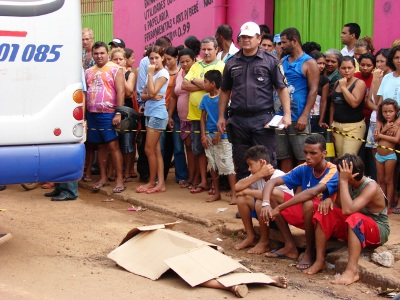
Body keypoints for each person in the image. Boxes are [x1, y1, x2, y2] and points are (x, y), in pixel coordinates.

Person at [217, 21, 291, 180]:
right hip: (238, 120)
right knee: (242, 161)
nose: (246, 40)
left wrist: (287, 114)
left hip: (262, 119)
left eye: (250, 37)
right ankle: (246, 200)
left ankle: (266, 200)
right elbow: (224, 91)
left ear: (258, 38)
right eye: (243, 37)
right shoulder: (231, 62)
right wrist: (221, 116)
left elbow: (282, 88)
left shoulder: (271, 61)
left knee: (266, 161)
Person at [305, 154, 389, 286]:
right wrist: (328, 200)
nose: (338, 175)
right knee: (324, 211)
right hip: (354, 225)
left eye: (341, 173)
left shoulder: (370, 186)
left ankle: (352, 270)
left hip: (377, 229)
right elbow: (339, 205)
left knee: (355, 218)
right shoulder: (345, 183)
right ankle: (320, 260)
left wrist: (343, 181)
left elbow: (348, 210)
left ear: (352, 174)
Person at [261, 134, 338, 269]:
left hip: (325, 218)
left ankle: (309, 251)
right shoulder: (304, 167)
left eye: (313, 153)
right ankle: (290, 246)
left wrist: (279, 208)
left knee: (308, 202)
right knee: (273, 194)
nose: (308, 157)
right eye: (305, 152)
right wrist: (265, 203)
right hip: (306, 214)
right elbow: (272, 181)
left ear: (324, 153)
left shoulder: (333, 170)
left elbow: (312, 193)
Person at [182, 37, 225, 194]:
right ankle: (203, 181)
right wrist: (204, 83)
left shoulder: (221, 66)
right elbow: (184, 84)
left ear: (216, 50)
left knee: (217, 151)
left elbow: (220, 87)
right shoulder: (196, 65)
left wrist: (195, 81)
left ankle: (216, 184)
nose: (206, 52)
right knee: (199, 149)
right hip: (195, 116)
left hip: (215, 117)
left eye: (209, 49)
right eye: (204, 49)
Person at [234, 145, 293, 254]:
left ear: (261, 162)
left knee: (261, 202)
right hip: (265, 216)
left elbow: (270, 195)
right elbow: (237, 187)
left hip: (281, 217)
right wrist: (260, 174)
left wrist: (247, 191)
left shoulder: (279, 175)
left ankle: (264, 242)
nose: (249, 169)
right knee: (241, 199)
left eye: (250, 164)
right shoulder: (257, 175)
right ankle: (251, 236)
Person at [277, 27, 319, 172]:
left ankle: (303, 191)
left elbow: (314, 91)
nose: (281, 46)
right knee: (284, 156)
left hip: (299, 117)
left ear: (294, 41)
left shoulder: (309, 62)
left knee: (303, 157)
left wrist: (304, 115)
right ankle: (286, 191)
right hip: (281, 118)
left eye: (284, 42)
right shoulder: (283, 61)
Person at [85, 41, 126, 194]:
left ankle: (119, 179)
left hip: (109, 112)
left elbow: (121, 92)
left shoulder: (116, 69)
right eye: (96, 53)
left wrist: (118, 112)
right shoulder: (88, 71)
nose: (99, 56)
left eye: (102, 53)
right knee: (99, 146)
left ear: (108, 53)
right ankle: (103, 178)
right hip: (92, 112)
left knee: (113, 145)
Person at [136, 37, 172, 183]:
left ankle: (152, 182)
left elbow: (151, 93)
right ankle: (160, 183)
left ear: (162, 58)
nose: (154, 61)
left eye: (156, 58)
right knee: (155, 151)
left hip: (158, 114)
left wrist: (150, 76)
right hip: (150, 113)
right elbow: (144, 95)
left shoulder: (162, 73)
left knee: (148, 149)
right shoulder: (154, 73)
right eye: (151, 58)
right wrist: (149, 95)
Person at [199, 70, 236, 204]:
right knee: (212, 164)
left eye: (205, 81)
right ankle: (217, 192)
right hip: (209, 134)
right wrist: (203, 135)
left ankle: (234, 193)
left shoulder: (224, 97)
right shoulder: (205, 98)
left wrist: (219, 133)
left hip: (224, 135)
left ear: (213, 83)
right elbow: (202, 118)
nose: (203, 84)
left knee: (228, 164)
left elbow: (229, 117)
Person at [169, 48, 197, 189]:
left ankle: (197, 178)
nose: (185, 64)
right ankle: (191, 177)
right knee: (188, 147)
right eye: (182, 61)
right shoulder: (179, 74)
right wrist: (169, 115)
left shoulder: (198, 73)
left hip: (196, 118)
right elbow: (174, 96)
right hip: (181, 118)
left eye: (188, 61)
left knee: (196, 148)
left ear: (194, 60)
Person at [330, 56, 367, 157]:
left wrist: (343, 87)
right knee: (340, 156)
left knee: (348, 158)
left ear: (355, 68)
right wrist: (331, 124)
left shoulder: (359, 83)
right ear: (339, 69)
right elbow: (333, 105)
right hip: (337, 126)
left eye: (349, 68)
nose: (346, 71)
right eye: (343, 68)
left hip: (354, 127)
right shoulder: (337, 82)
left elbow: (354, 103)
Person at [162, 46, 188, 184]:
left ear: (176, 58)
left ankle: (182, 176)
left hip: (177, 113)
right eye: (165, 59)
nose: (167, 62)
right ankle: (160, 176)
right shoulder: (162, 72)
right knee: (162, 147)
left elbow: (174, 97)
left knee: (178, 147)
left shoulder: (180, 73)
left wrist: (171, 114)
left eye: (169, 59)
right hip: (163, 112)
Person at [110, 48, 136, 182]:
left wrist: (121, 74)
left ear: (125, 61)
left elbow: (129, 91)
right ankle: (113, 171)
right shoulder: (110, 72)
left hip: (126, 111)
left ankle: (128, 170)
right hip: (112, 109)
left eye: (121, 59)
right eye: (115, 59)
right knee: (114, 141)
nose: (118, 62)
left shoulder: (130, 74)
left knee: (127, 142)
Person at [365, 48, 392, 180]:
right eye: (377, 61)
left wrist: (384, 111)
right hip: (375, 120)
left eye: (382, 61)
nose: (379, 64)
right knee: (374, 155)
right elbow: (371, 101)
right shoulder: (377, 77)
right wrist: (376, 81)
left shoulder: (392, 78)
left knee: (388, 156)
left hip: (389, 120)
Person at [374, 99, 400, 211]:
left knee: (388, 180)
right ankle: (382, 203)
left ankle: (389, 204)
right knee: (380, 180)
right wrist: (384, 130)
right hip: (378, 156)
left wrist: (381, 134)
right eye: (385, 112)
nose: (388, 114)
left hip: (390, 156)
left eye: (390, 111)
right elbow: (375, 139)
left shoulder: (397, 125)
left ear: (396, 112)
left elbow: (396, 139)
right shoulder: (381, 123)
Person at [355, 53, 376, 179]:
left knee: (371, 154)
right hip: (357, 121)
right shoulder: (354, 77)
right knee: (360, 152)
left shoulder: (376, 78)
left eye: (369, 65)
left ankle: (372, 180)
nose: (365, 68)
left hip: (372, 121)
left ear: (373, 66)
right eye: (362, 65)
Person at [308, 51, 329, 134]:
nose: (322, 66)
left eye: (324, 64)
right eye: (319, 63)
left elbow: (323, 101)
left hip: (316, 115)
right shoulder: (303, 77)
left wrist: (321, 120)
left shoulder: (324, 80)